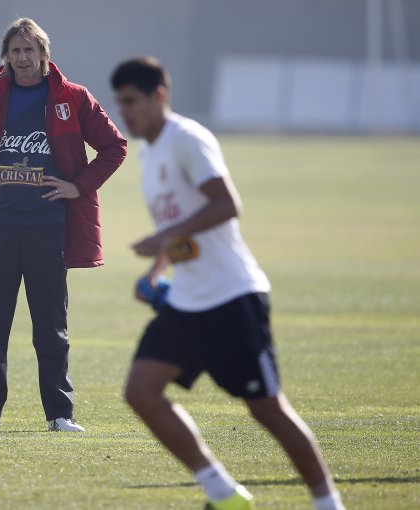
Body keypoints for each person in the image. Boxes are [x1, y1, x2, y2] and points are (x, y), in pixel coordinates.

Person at [112, 56, 345, 510]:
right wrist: (157, 268)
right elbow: (186, 229)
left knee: (267, 411)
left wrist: (164, 237)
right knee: (141, 391)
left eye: (132, 102)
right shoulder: (148, 152)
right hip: (188, 300)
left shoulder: (187, 139)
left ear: (159, 96)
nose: (125, 113)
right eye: (119, 103)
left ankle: (327, 503)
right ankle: (224, 495)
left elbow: (226, 205)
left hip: (232, 296)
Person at [0, 18, 127, 433]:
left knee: (51, 326)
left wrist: (79, 186)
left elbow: (114, 146)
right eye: (15, 51)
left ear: (44, 56)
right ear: (6, 57)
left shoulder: (72, 98)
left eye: (30, 51)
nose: (22, 58)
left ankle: (60, 414)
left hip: (50, 226)